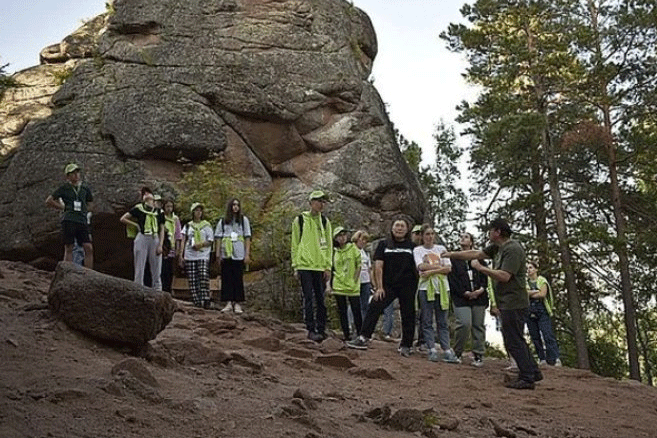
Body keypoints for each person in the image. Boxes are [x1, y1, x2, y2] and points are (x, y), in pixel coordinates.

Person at [442, 218, 541, 390]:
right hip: (507, 300)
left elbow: (504, 276)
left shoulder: (513, 249)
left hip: (514, 301)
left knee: (513, 340)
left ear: (497, 232)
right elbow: (475, 254)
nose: (488, 234)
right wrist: (452, 255)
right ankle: (533, 371)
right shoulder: (498, 248)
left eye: (490, 231)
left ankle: (527, 377)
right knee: (515, 337)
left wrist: (482, 269)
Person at [347, 217, 418, 357]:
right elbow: (378, 266)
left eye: (402, 226)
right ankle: (363, 337)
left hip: (408, 285)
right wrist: (379, 287)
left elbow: (417, 266)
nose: (399, 228)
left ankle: (406, 345)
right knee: (374, 305)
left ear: (407, 229)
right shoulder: (384, 244)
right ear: (392, 228)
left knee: (408, 313)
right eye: (397, 225)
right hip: (388, 285)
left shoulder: (412, 246)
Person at [291, 190, 333, 342]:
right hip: (304, 265)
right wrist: (295, 265)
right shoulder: (300, 220)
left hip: (320, 266)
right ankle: (310, 328)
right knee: (308, 297)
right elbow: (295, 244)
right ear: (311, 202)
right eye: (318, 201)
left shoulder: (325, 222)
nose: (321, 204)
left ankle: (321, 328)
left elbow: (329, 245)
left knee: (321, 299)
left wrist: (328, 266)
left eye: (323, 201)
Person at [414, 225, 459, 363]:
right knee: (427, 319)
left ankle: (446, 349)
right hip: (426, 288)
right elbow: (421, 266)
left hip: (442, 288)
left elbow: (448, 268)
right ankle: (431, 348)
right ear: (422, 236)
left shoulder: (441, 249)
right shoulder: (418, 250)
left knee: (442, 320)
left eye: (432, 234)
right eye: (427, 234)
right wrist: (438, 267)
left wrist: (431, 271)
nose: (430, 236)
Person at [448, 232, 489, 367]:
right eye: (461, 237)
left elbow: (485, 276)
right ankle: (457, 352)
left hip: (479, 298)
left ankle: (478, 354)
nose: (463, 239)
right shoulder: (454, 259)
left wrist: (481, 289)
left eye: (466, 237)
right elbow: (452, 279)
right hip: (461, 298)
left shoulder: (480, 258)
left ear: (471, 242)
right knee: (464, 323)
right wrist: (464, 292)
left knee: (478, 325)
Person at [45, 163, 94, 269]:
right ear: (68, 176)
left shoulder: (85, 188)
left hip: (82, 220)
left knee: (88, 247)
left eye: (77, 172)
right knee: (69, 247)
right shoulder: (64, 188)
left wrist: (85, 210)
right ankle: (67, 271)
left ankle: (89, 274)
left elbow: (90, 203)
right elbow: (49, 200)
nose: (76, 175)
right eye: (72, 173)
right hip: (69, 219)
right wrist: (63, 208)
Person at [120, 190, 165, 290]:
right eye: (144, 194)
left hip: (154, 238)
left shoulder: (159, 212)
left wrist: (160, 245)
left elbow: (162, 229)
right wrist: (135, 225)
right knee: (139, 264)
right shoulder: (139, 208)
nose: (147, 196)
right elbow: (123, 218)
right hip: (142, 237)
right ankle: (138, 288)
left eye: (148, 194)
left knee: (156, 267)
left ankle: (157, 289)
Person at [215, 198, 252, 314]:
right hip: (226, 252)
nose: (235, 207)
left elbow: (247, 237)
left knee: (237, 277)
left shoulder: (243, 220)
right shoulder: (223, 221)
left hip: (238, 252)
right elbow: (218, 238)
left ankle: (237, 303)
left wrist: (247, 254)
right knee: (227, 277)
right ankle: (228, 302)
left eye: (237, 205)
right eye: (233, 205)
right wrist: (218, 253)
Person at [328, 227, 362, 341]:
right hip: (338, 284)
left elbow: (359, 265)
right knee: (342, 311)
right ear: (335, 238)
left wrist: (354, 280)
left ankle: (360, 334)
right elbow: (330, 268)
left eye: (344, 235)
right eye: (339, 235)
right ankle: (346, 335)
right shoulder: (333, 251)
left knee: (356, 310)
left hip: (352, 285)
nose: (342, 237)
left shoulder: (353, 248)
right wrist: (329, 284)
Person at [526, 261, 562, 366]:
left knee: (547, 334)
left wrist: (531, 293)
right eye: (527, 268)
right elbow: (523, 293)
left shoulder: (542, 280)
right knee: (535, 335)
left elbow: (542, 294)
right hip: (529, 311)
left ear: (536, 269)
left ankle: (555, 358)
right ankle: (542, 358)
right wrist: (535, 292)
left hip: (542, 310)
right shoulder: (525, 282)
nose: (529, 270)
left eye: (531, 268)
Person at [179, 202, 214, 308]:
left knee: (203, 275)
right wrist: (181, 255)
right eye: (196, 210)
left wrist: (201, 244)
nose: (198, 213)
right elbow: (183, 240)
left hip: (202, 254)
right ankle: (196, 300)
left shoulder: (206, 225)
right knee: (192, 278)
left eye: (200, 210)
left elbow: (211, 240)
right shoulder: (188, 225)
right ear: (193, 212)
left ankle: (205, 298)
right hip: (190, 254)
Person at [161, 199, 182, 293]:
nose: (169, 209)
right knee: (162, 269)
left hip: (172, 247)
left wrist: (178, 248)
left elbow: (178, 234)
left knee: (170, 270)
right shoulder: (161, 217)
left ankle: (168, 289)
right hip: (163, 246)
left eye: (171, 207)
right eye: (167, 207)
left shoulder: (175, 219)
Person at [352, 230, 373, 320]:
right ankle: (352, 324)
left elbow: (369, 268)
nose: (364, 242)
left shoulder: (365, 252)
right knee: (355, 304)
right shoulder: (351, 250)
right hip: (356, 280)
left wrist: (372, 282)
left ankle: (364, 325)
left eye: (366, 240)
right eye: (362, 239)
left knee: (365, 304)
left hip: (366, 280)